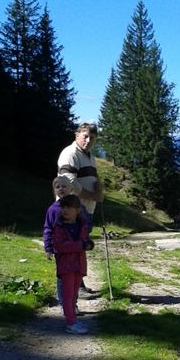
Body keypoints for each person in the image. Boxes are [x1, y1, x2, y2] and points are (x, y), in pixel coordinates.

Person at [57, 122, 103, 298]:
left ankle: (77, 285)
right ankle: (70, 291)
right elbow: (68, 181)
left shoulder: (89, 156)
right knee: (71, 247)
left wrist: (99, 189)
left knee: (79, 247)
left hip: (84, 209)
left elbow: (93, 178)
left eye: (92, 137)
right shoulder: (70, 154)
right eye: (85, 136)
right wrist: (91, 195)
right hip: (71, 210)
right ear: (77, 135)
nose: (88, 140)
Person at [43, 176, 93, 311]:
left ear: (71, 188)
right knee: (63, 277)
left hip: (77, 248)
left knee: (76, 275)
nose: (61, 188)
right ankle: (63, 304)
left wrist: (84, 238)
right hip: (61, 249)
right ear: (54, 191)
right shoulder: (52, 210)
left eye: (64, 186)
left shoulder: (78, 206)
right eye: (57, 186)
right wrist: (48, 247)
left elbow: (87, 223)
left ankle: (73, 303)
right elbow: (48, 228)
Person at [52, 194, 94, 335]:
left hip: (79, 265)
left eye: (69, 207)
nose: (65, 210)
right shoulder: (59, 227)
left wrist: (89, 244)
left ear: (77, 210)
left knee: (74, 294)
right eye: (63, 207)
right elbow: (60, 246)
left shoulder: (82, 225)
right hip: (66, 266)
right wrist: (80, 245)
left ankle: (73, 319)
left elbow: (85, 241)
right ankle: (70, 323)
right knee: (67, 294)